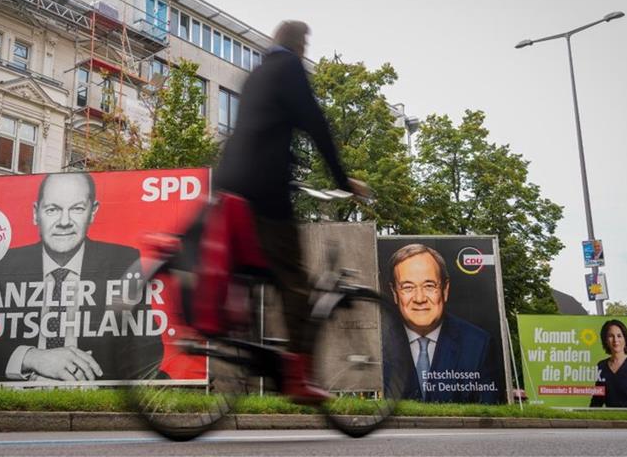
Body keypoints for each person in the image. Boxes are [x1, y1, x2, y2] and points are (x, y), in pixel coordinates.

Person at [210, 20, 368, 404]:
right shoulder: (289, 68)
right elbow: (316, 124)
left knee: (249, 269)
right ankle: (299, 376)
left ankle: (245, 347)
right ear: (299, 44)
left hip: (228, 184)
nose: (306, 51)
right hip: (265, 191)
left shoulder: (256, 74)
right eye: (306, 44)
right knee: (295, 281)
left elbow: (256, 131)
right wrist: (345, 181)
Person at [0, 172, 163, 382]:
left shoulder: (123, 261)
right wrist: (30, 357)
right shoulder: (2, 264)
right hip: (18, 385)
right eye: (52, 209)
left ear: (92, 212)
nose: (64, 221)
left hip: (91, 389)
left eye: (77, 209)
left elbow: (147, 345)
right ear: (36, 213)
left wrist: (90, 372)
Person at [384, 243, 498, 403]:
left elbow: (488, 412)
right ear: (395, 293)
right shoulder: (376, 344)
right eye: (408, 287)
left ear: (445, 290)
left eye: (429, 286)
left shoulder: (479, 344)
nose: (419, 298)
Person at [589, 319, 627, 408]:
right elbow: (597, 399)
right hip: (610, 418)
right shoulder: (601, 366)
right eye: (611, 336)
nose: (615, 340)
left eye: (619, 336)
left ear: (625, 339)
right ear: (605, 340)